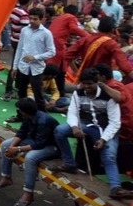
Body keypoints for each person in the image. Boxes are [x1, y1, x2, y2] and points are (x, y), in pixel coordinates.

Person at [52, 69, 124, 199]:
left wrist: (104, 139)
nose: (86, 87)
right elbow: (73, 112)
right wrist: (74, 127)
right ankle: (70, 164)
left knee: (109, 156)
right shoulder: (78, 93)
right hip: (85, 125)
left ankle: (115, 187)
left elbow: (115, 123)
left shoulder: (108, 97)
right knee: (60, 131)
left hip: (105, 128)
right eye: (83, 83)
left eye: (89, 84)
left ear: (97, 83)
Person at [0, 98, 59, 206]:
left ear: (23, 111)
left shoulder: (44, 121)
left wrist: (18, 149)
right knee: (5, 145)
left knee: (30, 158)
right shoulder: (28, 117)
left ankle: (28, 192)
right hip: (34, 140)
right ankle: (6, 177)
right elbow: (21, 133)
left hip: (50, 146)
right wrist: (12, 146)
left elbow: (39, 144)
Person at [13, 7, 55, 112]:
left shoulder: (46, 33)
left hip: (36, 68)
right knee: (21, 93)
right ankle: (21, 115)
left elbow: (52, 51)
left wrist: (35, 57)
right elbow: (19, 48)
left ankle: (41, 118)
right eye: (30, 18)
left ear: (41, 19)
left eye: (35, 19)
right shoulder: (24, 30)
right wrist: (15, 67)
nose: (31, 21)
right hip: (23, 66)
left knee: (38, 94)